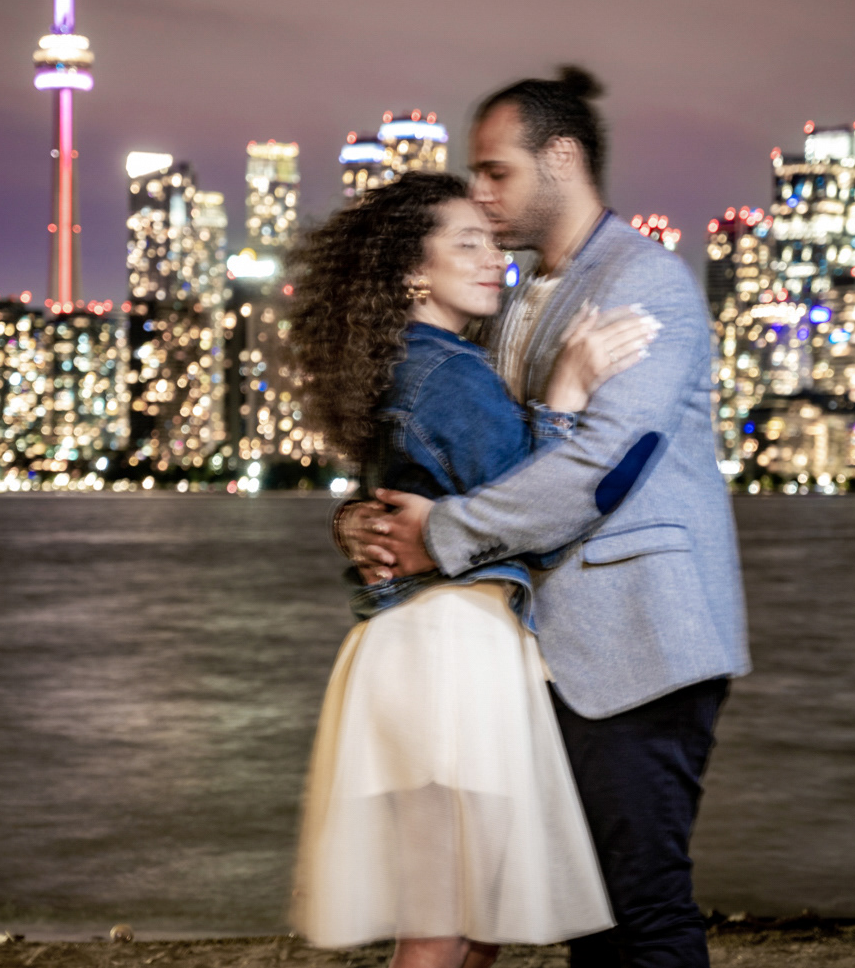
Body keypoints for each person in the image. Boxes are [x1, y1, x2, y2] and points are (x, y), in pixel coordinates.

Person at [345, 67, 750, 968]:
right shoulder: (514, 301)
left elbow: (599, 472)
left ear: (560, 157)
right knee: (590, 916)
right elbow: (446, 436)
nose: (483, 200)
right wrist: (365, 514)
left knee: (642, 907)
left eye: (496, 173)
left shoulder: (644, 285)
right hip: (551, 652)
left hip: (639, 643)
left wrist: (434, 536)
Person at [287, 171, 659, 968]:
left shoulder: (426, 363)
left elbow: (394, 497)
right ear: (411, 271)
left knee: (473, 920)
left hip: (446, 648)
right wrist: (566, 391)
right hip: (446, 654)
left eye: (493, 242)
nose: (494, 258)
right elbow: (545, 508)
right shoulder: (445, 373)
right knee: (445, 924)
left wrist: (349, 519)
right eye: (467, 243)